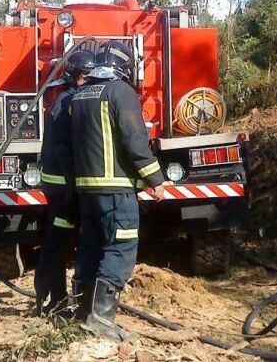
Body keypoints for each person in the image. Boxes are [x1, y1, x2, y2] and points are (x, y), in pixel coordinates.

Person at [70, 41, 167, 341]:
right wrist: (156, 180)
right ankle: (101, 319)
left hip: (86, 191)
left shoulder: (79, 95)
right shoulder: (120, 92)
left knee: (91, 246)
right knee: (120, 248)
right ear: (124, 65)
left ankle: (81, 312)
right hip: (116, 190)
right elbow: (135, 141)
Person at [35, 50, 95, 318]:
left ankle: (60, 300)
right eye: (85, 76)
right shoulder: (69, 101)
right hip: (63, 188)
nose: (88, 81)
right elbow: (63, 148)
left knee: (63, 241)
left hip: (63, 185)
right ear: (73, 75)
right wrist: (72, 186)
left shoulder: (69, 99)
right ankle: (53, 300)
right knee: (57, 243)